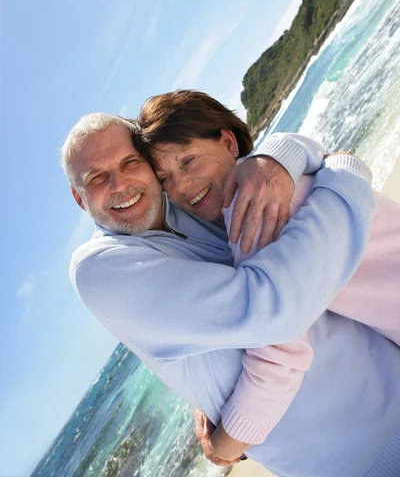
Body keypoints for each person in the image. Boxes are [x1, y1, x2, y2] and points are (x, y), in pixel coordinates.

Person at [63, 112, 400, 477]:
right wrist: (347, 175)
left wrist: (281, 155)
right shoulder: (96, 268)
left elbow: (258, 172)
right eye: (96, 177)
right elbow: (272, 312)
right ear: (78, 198)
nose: (120, 183)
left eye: (130, 162)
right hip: (355, 458)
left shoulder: (187, 202)